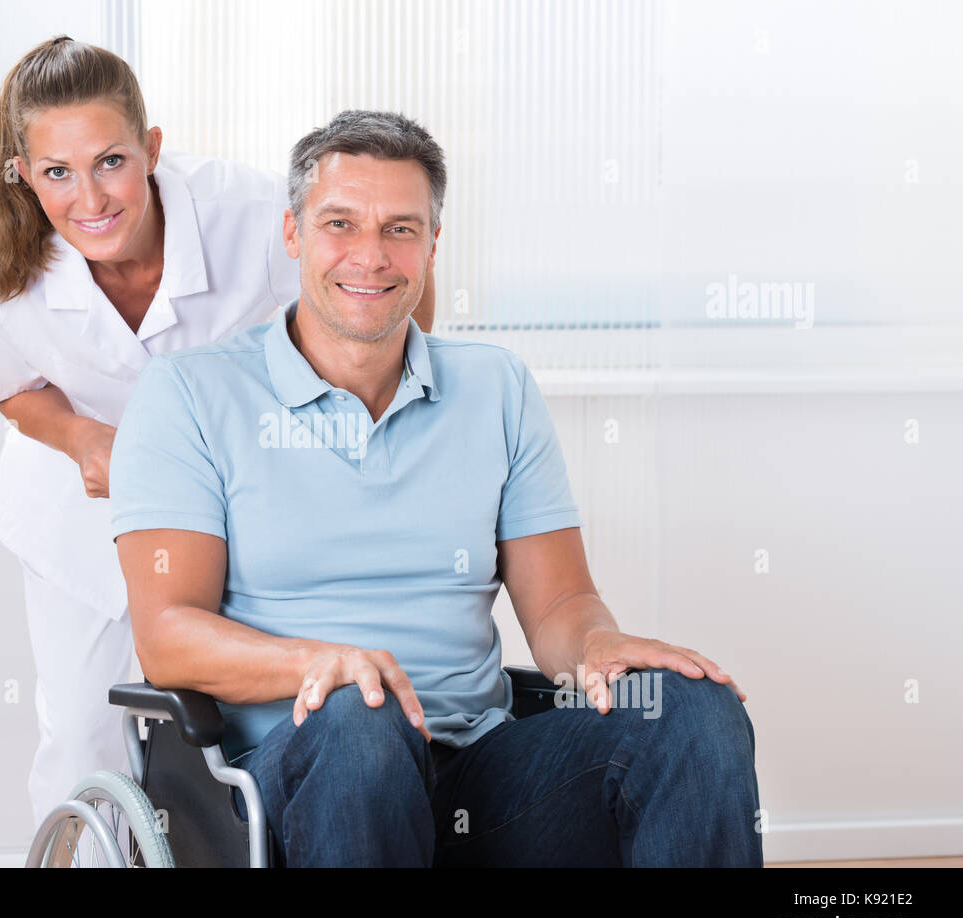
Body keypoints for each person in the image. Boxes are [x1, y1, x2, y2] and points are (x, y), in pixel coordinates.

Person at [108, 109, 763, 866]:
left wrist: (597, 643)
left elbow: (557, 605)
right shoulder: (191, 395)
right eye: (340, 224)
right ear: (292, 235)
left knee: (691, 711)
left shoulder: (495, 387)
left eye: (400, 229)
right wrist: (326, 665)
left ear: (431, 245)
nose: (370, 256)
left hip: (477, 779)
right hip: (293, 776)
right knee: (360, 716)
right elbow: (166, 635)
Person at [0, 36, 439, 836]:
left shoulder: (249, 217)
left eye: (110, 160)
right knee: (83, 734)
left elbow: (382, 289)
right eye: (57, 173)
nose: (91, 198)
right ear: (23, 173)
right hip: (83, 512)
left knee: (266, 709)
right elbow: (6, 383)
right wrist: (80, 437)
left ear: (151, 147)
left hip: (248, 491)